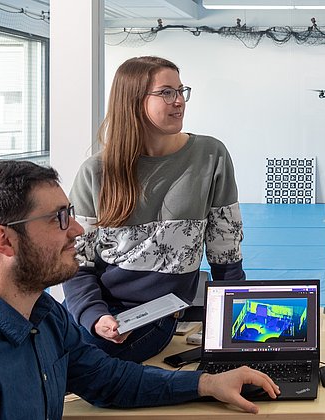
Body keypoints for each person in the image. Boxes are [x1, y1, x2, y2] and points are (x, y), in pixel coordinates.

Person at [0, 161, 278, 419]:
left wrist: (208, 383)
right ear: (4, 241)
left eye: (71, 214)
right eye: (58, 219)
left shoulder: (45, 315)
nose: (77, 231)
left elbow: (108, 379)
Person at [63, 56, 245, 362]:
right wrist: (95, 316)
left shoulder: (210, 155)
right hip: (104, 312)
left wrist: (235, 322)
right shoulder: (96, 171)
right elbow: (77, 262)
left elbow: (225, 250)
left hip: (158, 315)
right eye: (166, 92)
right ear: (132, 102)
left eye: (181, 90)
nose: (179, 101)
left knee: (76, 365)